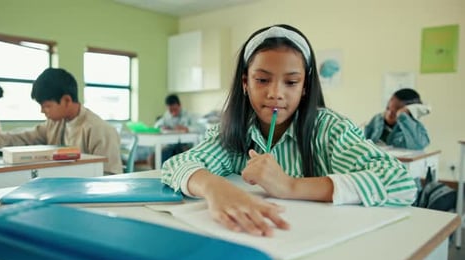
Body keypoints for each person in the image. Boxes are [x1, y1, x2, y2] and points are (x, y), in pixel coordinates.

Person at [161, 24, 416, 237]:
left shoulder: (329, 129)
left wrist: (290, 186)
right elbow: (177, 164)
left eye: (291, 82)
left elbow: (399, 182)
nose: (275, 93)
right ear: (245, 83)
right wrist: (215, 188)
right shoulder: (232, 131)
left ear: (305, 87)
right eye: (262, 80)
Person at [0, 68, 122, 174]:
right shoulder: (56, 123)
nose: (42, 111)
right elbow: (24, 136)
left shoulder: (99, 130)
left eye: (47, 106)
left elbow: (111, 175)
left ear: (66, 100)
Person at [147, 94, 204, 167]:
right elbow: (157, 126)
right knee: (152, 158)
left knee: (181, 156)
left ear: (180, 105)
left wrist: (187, 128)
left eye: (175, 109)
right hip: (171, 146)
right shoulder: (167, 116)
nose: (173, 112)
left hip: (185, 147)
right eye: (170, 110)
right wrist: (162, 127)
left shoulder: (189, 115)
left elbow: (201, 128)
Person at [364, 88, 430, 150]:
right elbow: (365, 142)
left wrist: (403, 115)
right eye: (388, 108)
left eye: (396, 111)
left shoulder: (413, 127)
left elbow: (419, 146)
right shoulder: (377, 119)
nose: (389, 114)